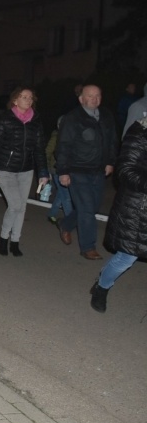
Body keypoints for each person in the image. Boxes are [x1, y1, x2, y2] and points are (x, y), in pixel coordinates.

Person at [89, 115, 147, 312]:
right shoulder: (140, 131)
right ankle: (102, 287)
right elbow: (125, 170)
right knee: (126, 257)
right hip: (137, 207)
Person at [0, 87, 49, 257]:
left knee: (22, 207)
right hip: (5, 169)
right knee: (15, 205)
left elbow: (39, 149)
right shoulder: (5, 120)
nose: (28, 100)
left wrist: (43, 172)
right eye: (24, 97)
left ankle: (15, 241)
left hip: (26, 170)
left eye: (30, 97)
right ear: (15, 100)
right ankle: (3, 238)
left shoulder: (35, 121)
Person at [55, 84, 117, 260]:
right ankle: (88, 247)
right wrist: (63, 171)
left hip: (98, 170)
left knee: (93, 207)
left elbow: (112, 141)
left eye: (98, 95)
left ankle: (66, 223)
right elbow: (63, 146)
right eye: (90, 96)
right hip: (77, 170)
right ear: (81, 99)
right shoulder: (73, 118)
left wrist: (110, 162)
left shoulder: (106, 116)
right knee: (87, 209)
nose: (94, 99)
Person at [45, 116, 73, 225]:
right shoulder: (56, 136)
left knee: (62, 194)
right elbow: (47, 152)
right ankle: (70, 221)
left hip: (67, 169)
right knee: (66, 196)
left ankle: (51, 214)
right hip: (56, 169)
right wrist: (47, 170)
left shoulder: (71, 137)